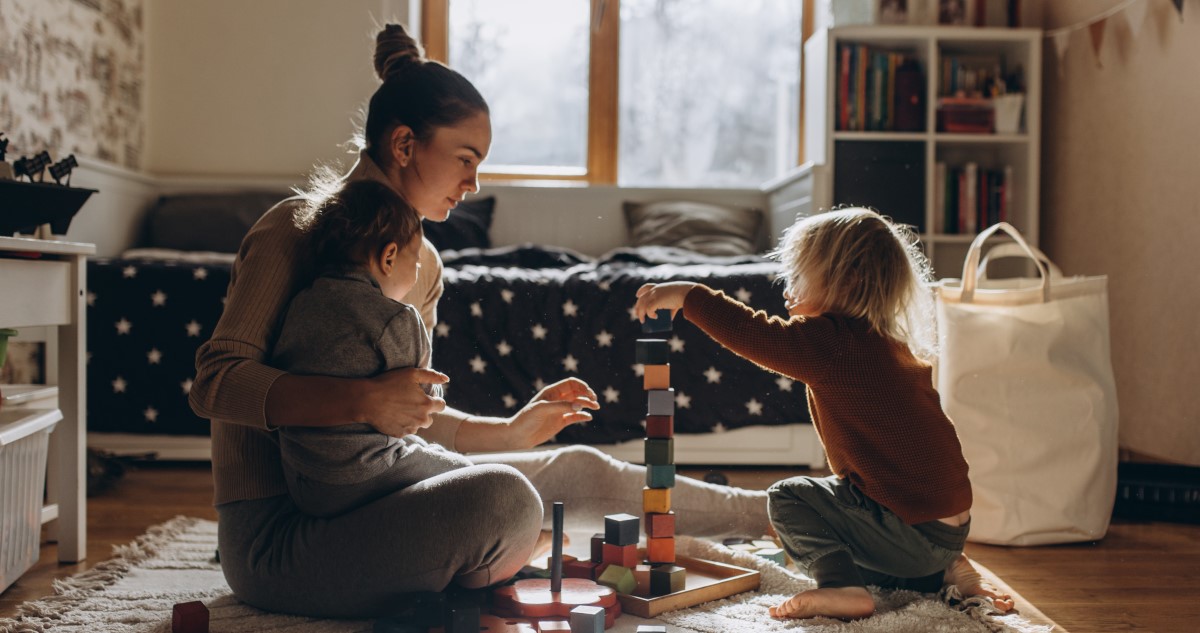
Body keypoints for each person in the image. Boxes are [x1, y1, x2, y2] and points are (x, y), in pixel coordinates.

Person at [189, 23, 771, 619]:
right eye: (465, 160)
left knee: (574, 467)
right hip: (280, 539)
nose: (473, 185)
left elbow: (410, 418)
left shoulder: (426, 265)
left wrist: (511, 432)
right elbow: (215, 383)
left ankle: (776, 514)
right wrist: (362, 400)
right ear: (404, 145)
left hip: (380, 493)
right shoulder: (293, 229)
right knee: (503, 502)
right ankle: (484, 560)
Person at [633, 207, 1015, 620]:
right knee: (841, 531)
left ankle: (842, 588)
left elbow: (754, 333)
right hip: (948, 528)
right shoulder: (887, 342)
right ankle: (942, 570)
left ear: (845, 280)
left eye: (798, 277)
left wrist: (689, 295)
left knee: (789, 498)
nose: (786, 289)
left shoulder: (833, 341)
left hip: (910, 527)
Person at [272, 179, 474, 518]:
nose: (417, 274)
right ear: (389, 257)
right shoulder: (396, 317)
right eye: (417, 263)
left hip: (304, 481)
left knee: (417, 450)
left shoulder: (300, 303)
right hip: (367, 470)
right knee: (469, 475)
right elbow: (423, 397)